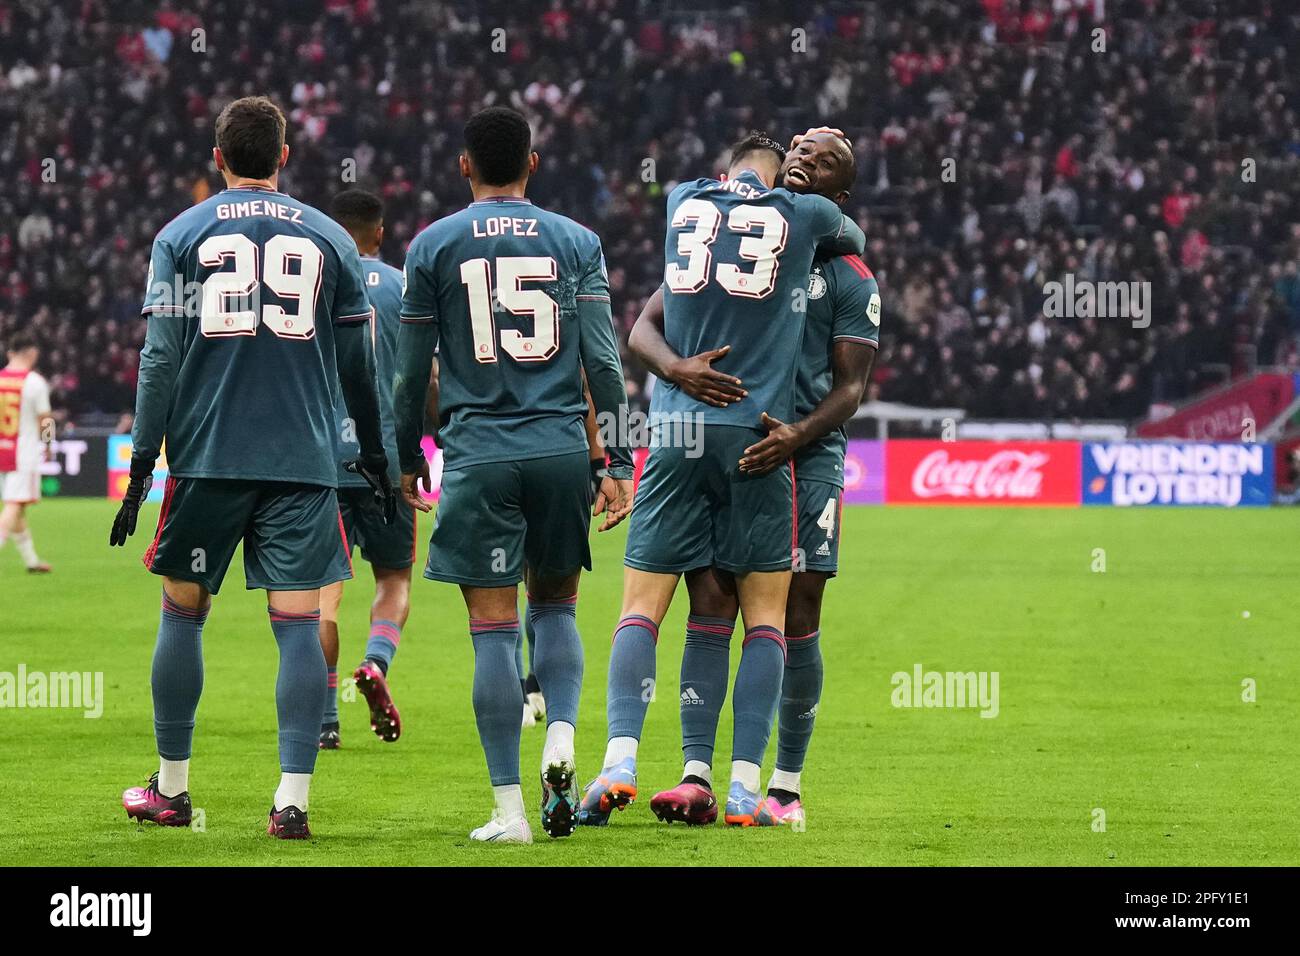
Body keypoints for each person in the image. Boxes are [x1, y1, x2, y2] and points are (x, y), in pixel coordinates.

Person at [112, 96, 394, 840]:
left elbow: (160, 358)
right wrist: (374, 453)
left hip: (208, 457)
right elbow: (360, 369)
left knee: (183, 613)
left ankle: (171, 790)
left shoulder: (180, 234)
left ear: (217, 157)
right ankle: (293, 800)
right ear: (285, 155)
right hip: (304, 462)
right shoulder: (332, 236)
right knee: (299, 626)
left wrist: (143, 461)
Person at [580, 131, 865, 828]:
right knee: (714, 601)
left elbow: (853, 386)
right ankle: (702, 777)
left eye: (822, 158)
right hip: (745, 442)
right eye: (798, 146)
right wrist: (678, 368)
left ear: (837, 186)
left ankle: (783, 789)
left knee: (798, 615)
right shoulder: (749, 238)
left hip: (803, 450)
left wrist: (802, 434)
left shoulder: (850, 272)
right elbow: (647, 326)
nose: (804, 157)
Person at [393, 106, 634, 844]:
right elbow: (603, 362)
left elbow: (410, 375)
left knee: (492, 631)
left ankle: (510, 814)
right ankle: (561, 736)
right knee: (555, 609)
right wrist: (619, 457)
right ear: (533, 163)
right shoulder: (577, 241)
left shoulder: (432, 246)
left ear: (464, 166)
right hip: (561, 450)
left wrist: (408, 456)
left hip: (479, 453)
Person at [318, 189, 416, 751]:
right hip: (390, 462)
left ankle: (327, 713)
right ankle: (376, 662)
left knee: (324, 594)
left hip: (324, 460)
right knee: (393, 580)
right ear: (378, 234)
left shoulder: (314, 286)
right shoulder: (403, 286)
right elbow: (424, 377)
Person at [0, 333, 53, 573]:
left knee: (16, 506)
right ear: (32, 353)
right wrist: (49, 445)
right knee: (15, 503)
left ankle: (31, 561)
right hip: (23, 452)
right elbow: (45, 420)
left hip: (3, 448)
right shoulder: (34, 382)